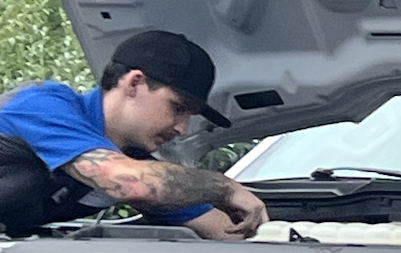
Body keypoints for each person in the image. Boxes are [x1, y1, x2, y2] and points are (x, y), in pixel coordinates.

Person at [0, 30, 267, 239]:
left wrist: (289, 236)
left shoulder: (136, 163)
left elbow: (224, 232)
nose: (182, 128)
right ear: (134, 83)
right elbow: (129, 181)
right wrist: (225, 188)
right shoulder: (42, 106)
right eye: (178, 107)